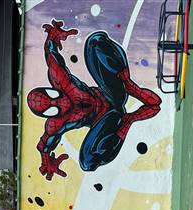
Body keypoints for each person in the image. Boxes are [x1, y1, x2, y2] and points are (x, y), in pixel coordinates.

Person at [27, 19, 162, 180]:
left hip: (110, 92)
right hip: (106, 121)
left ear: (51, 89)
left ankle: (127, 82)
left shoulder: (60, 79)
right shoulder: (55, 125)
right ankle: (128, 121)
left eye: (53, 97)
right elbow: (43, 146)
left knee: (95, 41)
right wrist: (47, 162)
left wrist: (53, 35)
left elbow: (50, 54)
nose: (59, 103)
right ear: (48, 115)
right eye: (52, 108)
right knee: (88, 162)